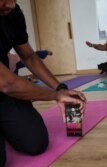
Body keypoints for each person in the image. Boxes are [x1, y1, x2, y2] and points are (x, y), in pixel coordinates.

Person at [0, 1, 86, 166]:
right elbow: (7, 84)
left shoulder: (13, 13)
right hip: (4, 85)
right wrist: (55, 96)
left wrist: (60, 89)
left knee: (35, 142)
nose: (10, 4)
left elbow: (29, 57)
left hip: (3, 94)